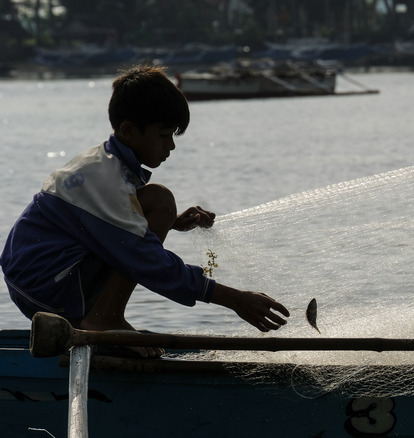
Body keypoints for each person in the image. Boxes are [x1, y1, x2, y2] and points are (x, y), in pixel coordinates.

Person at [1, 65, 290, 357]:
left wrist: (172, 223)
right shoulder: (105, 180)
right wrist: (234, 299)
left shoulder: (106, 162)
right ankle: (103, 320)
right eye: (164, 135)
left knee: (156, 203)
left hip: (41, 277)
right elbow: (149, 262)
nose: (172, 146)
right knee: (159, 202)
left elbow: (103, 228)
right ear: (128, 131)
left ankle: (102, 319)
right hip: (43, 285)